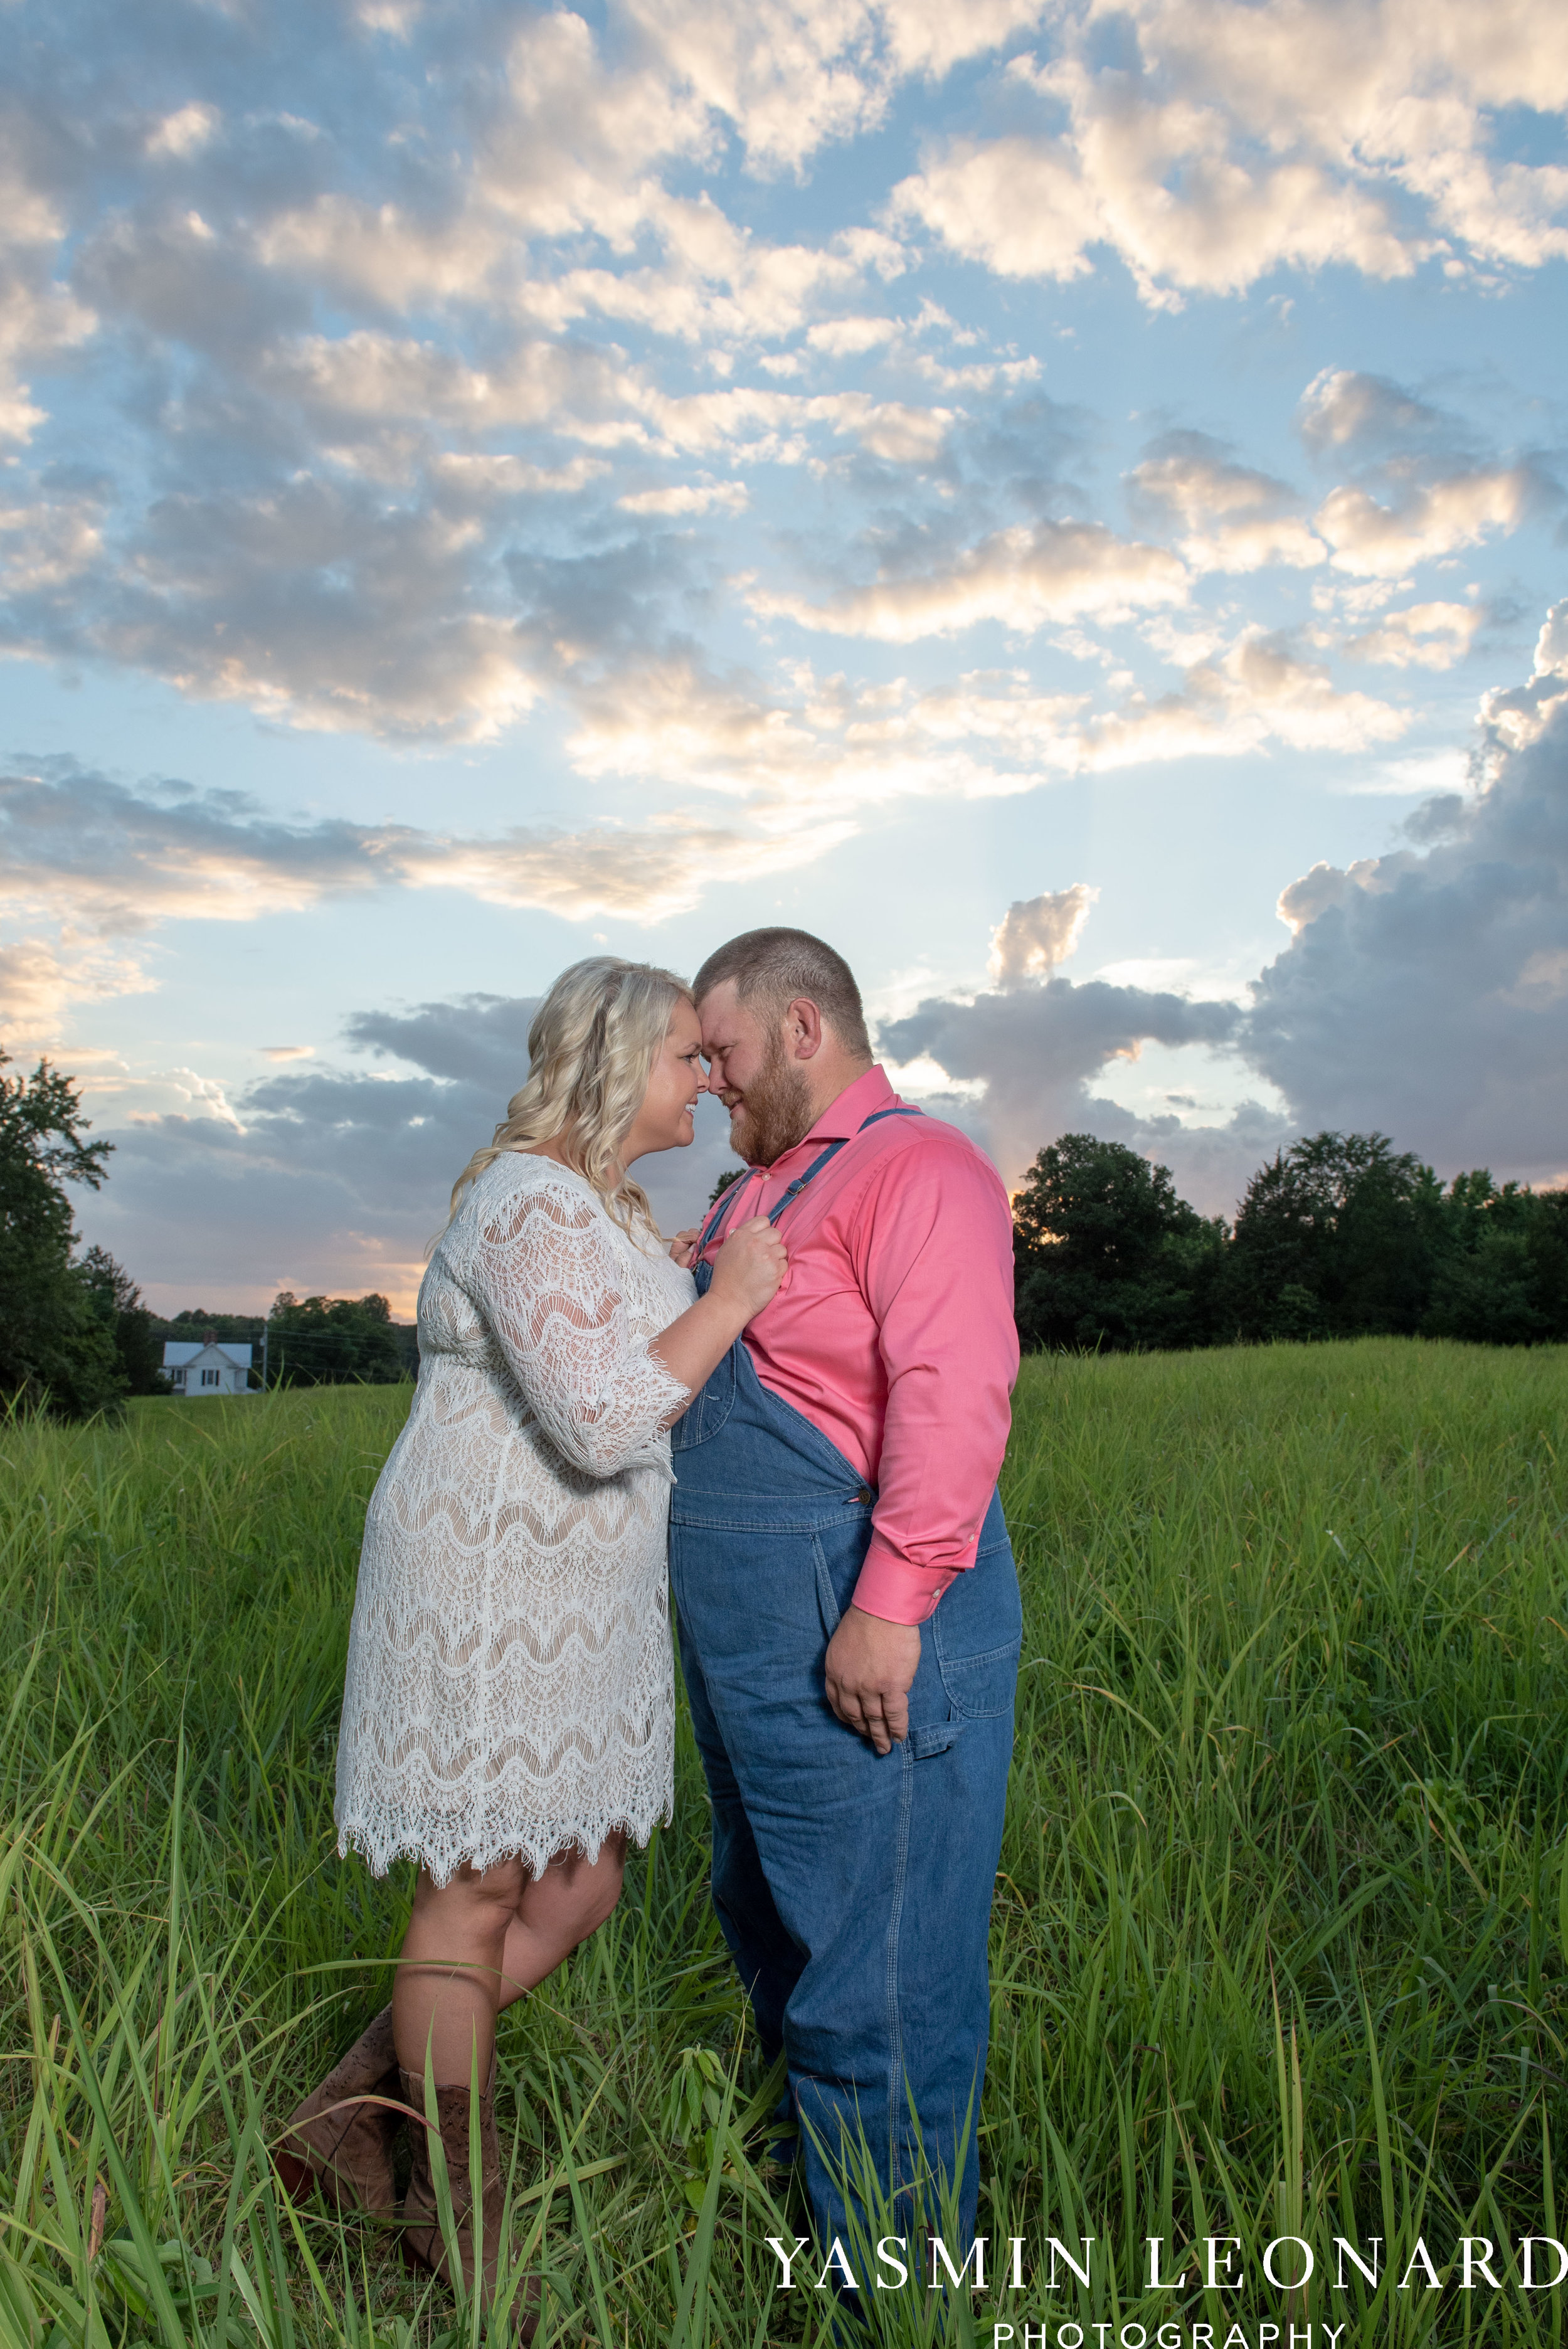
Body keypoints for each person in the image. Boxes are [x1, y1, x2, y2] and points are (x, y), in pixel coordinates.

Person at [275, 957, 785, 2320]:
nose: (708, 1077)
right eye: (687, 1055)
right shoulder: (524, 1199)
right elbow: (607, 1418)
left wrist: (682, 1276)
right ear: (617, 1062)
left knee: (582, 1882)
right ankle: (457, 2198)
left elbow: (617, 1348)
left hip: (581, 1596)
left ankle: (347, 2113)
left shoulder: (601, 1209)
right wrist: (727, 1295)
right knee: (483, 1883)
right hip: (488, 1583)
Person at [669, 927, 1020, 2274]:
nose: (710, 1079)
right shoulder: (752, 1198)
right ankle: (815, 2227)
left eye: (724, 1050)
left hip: (856, 1638)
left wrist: (887, 1605)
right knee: (773, 1930)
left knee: (879, 1989)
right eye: (694, 1058)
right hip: (753, 1656)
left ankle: (902, 2290)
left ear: (802, 1028)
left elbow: (951, 1389)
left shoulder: (916, 1169)